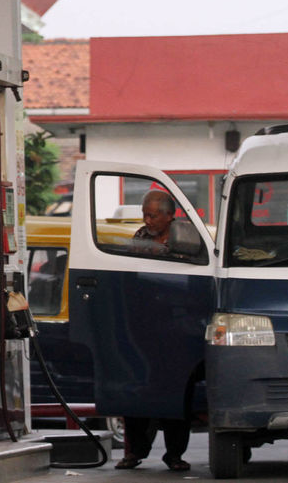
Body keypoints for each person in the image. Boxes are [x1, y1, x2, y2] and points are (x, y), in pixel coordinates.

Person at [116, 189, 192, 472]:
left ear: (170, 216)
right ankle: (135, 451)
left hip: (178, 328)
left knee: (176, 392)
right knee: (138, 389)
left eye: (153, 215)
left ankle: (174, 454)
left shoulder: (187, 238)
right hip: (146, 326)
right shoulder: (140, 238)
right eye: (145, 215)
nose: (147, 220)